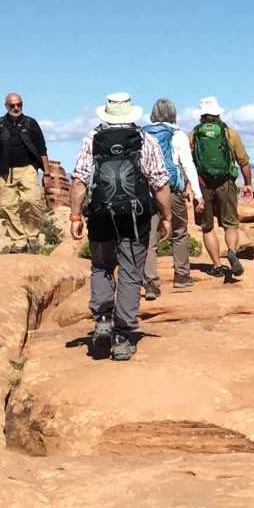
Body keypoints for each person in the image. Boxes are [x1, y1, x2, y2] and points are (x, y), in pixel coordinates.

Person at [68, 93, 173, 361]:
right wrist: (166, 216)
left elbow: (79, 180)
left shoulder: (92, 139)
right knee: (130, 271)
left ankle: (103, 317)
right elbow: (160, 182)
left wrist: (76, 216)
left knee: (101, 265)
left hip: (101, 214)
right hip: (135, 217)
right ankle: (122, 336)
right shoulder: (144, 140)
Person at [140, 98, 203, 297]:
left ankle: (150, 282)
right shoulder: (177, 135)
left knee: (149, 238)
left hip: (148, 191)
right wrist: (197, 193)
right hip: (172, 191)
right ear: (173, 114)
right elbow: (187, 165)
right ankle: (182, 276)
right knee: (179, 231)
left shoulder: (142, 134)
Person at [190, 97, 254, 282]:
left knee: (207, 228)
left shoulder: (193, 134)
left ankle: (217, 266)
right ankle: (232, 252)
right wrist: (248, 183)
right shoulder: (229, 133)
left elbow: (186, 163)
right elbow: (244, 162)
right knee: (230, 224)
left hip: (203, 186)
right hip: (225, 183)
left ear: (202, 114)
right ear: (218, 113)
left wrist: (191, 187)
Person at [0, 92, 51, 252]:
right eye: (12, 105)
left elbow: (42, 149)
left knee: (32, 201)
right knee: (8, 206)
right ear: (6, 106)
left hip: (28, 169)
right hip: (5, 171)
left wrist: (46, 174)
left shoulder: (30, 123)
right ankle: (19, 241)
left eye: (19, 104)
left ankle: (32, 236)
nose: (16, 107)